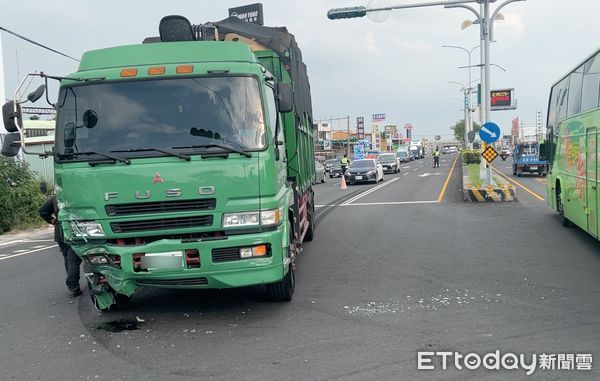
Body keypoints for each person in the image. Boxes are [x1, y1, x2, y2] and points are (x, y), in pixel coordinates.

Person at [39, 195, 82, 297]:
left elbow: (42, 210)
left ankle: (73, 286)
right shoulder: (78, 194)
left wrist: (52, 220)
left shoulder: (56, 198)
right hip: (75, 231)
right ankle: (73, 286)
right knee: (73, 260)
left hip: (60, 232)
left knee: (68, 259)